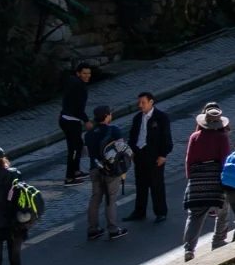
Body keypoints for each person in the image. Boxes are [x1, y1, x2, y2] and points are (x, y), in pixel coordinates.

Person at [181, 105, 233, 260]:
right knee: (223, 209)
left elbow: (188, 159)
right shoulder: (222, 138)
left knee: (195, 215)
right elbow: (225, 160)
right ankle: (218, 240)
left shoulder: (194, 137)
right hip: (216, 178)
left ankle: (189, 248)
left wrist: (191, 177)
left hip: (197, 179)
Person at [82, 106, 131, 241]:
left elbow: (87, 152)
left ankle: (93, 229)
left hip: (94, 169)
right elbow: (121, 148)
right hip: (110, 170)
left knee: (95, 199)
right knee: (110, 198)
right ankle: (113, 229)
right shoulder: (113, 130)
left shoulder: (89, 134)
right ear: (107, 116)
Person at [126, 91, 172, 222]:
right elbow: (132, 136)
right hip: (139, 155)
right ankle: (139, 211)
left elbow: (166, 137)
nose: (140, 105)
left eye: (143, 103)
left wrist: (163, 154)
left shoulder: (161, 117)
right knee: (140, 185)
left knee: (156, 184)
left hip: (154, 156)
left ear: (151, 102)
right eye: (139, 103)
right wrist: (132, 152)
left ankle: (160, 212)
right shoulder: (137, 118)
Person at [56, 63, 97, 183]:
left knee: (78, 145)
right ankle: (69, 177)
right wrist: (87, 121)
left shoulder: (72, 81)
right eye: (84, 73)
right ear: (78, 73)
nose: (87, 76)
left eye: (89, 73)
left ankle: (76, 171)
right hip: (70, 121)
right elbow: (78, 108)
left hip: (67, 118)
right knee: (73, 149)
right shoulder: (79, 86)